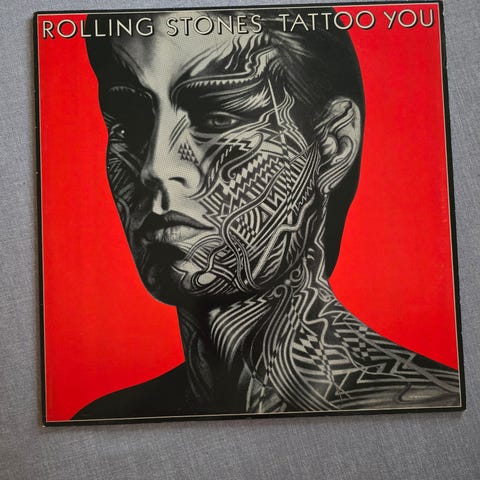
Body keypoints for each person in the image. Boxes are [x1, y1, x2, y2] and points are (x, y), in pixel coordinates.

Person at [74, 9, 460, 420]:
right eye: (129, 122)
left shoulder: (430, 411)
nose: (155, 167)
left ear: (332, 146)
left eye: (219, 117)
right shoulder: (109, 421)